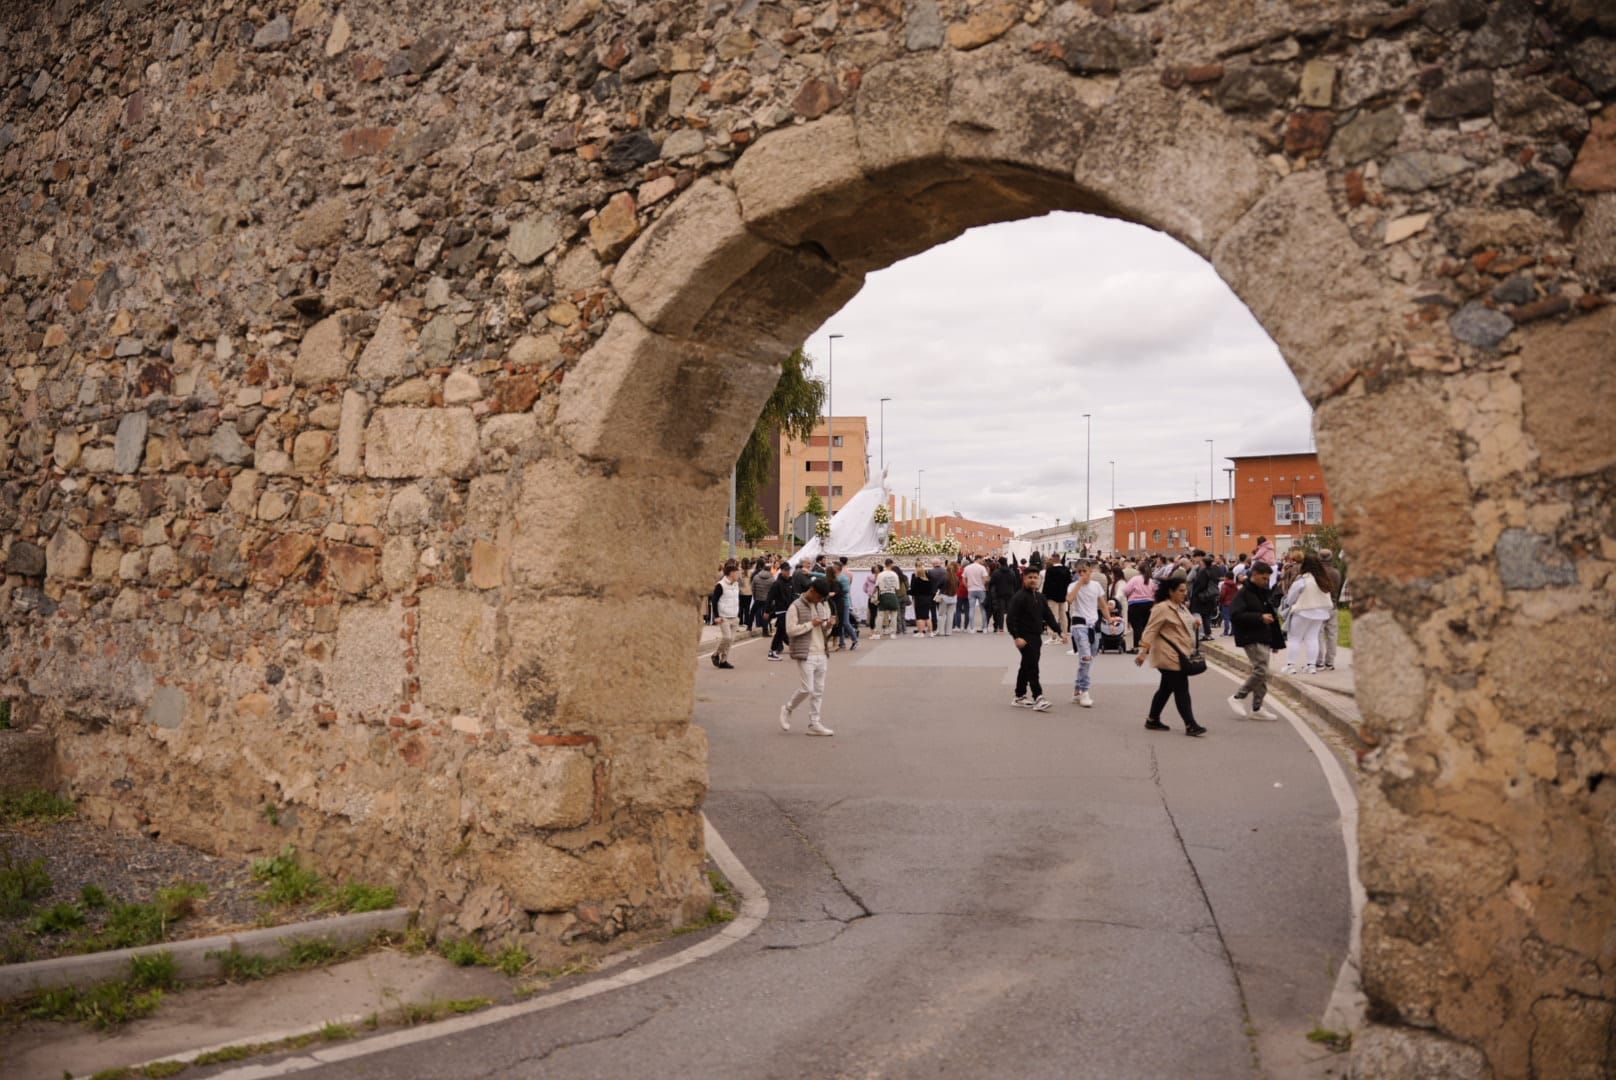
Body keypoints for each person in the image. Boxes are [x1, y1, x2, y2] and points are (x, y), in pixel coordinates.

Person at [1136, 577, 1207, 737]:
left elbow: (1185, 624)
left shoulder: (1182, 607)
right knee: (1181, 688)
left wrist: (1195, 623)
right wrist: (1143, 652)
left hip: (1181, 652)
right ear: (1170, 591)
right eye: (1181, 590)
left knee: (1165, 689)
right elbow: (1151, 630)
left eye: (1185, 590)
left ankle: (1152, 719)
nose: (1184, 593)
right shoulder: (1161, 608)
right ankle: (1190, 724)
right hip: (1168, 654)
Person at [778, 577, 835, 737]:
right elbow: (790, 630)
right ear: (812, 591)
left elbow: (823, 630)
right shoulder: (795, 606)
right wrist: (811, 624)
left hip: (821, 652)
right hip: (806, 653)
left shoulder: (821, 605)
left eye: (822, 598)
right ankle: (787, 708)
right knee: (807, 688)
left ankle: (814, 724)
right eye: (819, 597)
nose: (820, 600)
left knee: (818, 691)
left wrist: (828, 625)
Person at [1227, 560, 1284, 720]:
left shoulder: (1262, 591)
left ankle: (1257, 708)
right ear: (1255, 575)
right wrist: (1259, 617)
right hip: (1250, 636)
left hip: (1263, 635)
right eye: (1264, 578)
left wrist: (1275, 641)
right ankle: (1238, 697)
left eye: (1268, 579)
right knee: (1261, 670)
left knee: (1263, 673)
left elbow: (1271, 616)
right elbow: (1236, 615)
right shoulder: (1243, 593)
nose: (1266, 582)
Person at [1008, 565, 1064, 711]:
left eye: (1035, 577)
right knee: (1032, 666)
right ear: (1024, 579)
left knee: (1026, 665)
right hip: (1024, 637)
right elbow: (1011, 619)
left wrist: (1060, 631)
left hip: (1036, 637)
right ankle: (1038, 697)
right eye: (1030, 577)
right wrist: (1016, 637)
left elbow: (1048, 616)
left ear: (1039, 579)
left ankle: (1019, 696)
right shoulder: (1019, 597)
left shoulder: (1040, 597)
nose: (1033, 580)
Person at [1066, 561, 1118, 708]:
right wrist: (1079, 583)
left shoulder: (1096, 586)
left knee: (1090, 658)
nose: (1082, 574)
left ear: (1091, 571)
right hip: (1079, 624)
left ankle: (1077, 689)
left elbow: (1102, 605)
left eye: (1085, 571)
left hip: (1094, 625)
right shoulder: (1073, 586)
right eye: (1079, 572)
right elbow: (1069, 599)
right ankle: (1084, 691)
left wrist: (1110, 621)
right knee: (1086, 658)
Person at [1281, 553, 1334, 675]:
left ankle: (1290, 666)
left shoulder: (1302, 580)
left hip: (1302, 611)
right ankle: (1311, 666)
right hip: (1321, 613)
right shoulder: (1323, 580)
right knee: (1312, 638)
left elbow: (1290, 599)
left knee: (1294, 638)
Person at [709, 560, 741, 669]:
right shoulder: (720, 585)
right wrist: (716, 616)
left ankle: (723, 661)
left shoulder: (736, 584)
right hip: (724, 617)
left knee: (730, 641)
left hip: (734, 616)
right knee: (727, 638)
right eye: (737, 573)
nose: (739, 575)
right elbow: (714, 601)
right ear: (731, 573)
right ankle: (715, 654)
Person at [1317, 550, 1344, 671]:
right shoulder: (1336, 573)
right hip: (1333, 606)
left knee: (1319, 634)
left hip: (1319, 607)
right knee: (1332, 635)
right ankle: (1330, 662)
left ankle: (1319, 661)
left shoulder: (1317, 574)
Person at [766, 561, 797, 661]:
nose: (788, 572)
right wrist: (767, 611)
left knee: (782, 631)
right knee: (781, 631)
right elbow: (770, 597)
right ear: (782, 571)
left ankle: (775, 650)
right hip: (781, 611)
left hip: (789, 610)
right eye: (786, 570)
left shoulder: (791, 582)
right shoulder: (777, 583)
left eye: (789, 570)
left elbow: (793, 595)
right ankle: (773, 651)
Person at [1041, 555, 1073, 644]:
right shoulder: (1066, 569)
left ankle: (1053, 636)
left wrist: (1044, 596)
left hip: (1052, 596)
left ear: (1053, 560)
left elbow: (1047, 584)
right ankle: (1065, 635)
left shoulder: (1050, 570)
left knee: (1053, 616)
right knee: (1063, 615)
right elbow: (1069, 582)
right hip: (1063, 596)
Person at [1123, 569, 1156, 653]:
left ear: (1139, 571)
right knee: (1146, 627)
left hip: (1135, 604)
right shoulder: (1151, 581)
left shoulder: (1135, 579)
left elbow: (1126, 590)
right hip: (1149, 603)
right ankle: (1146, 647)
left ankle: (1136, 647)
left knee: (1137, 627)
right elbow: (1156, 591)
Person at [989, 557, 1018, 633]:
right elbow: (1015, 583)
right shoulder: (1012, 572)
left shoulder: (996, 572)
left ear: (999, 563)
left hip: (1000, 594)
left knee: (1000, 612)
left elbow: (991, 583)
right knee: (1010, 611)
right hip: (1010, 593)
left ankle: (1001, 628)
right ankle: (1010, 627)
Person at [874, 559, 902, 638]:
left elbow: (876, 586)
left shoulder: (880, 574)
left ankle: (878, 633)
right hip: (892, 594)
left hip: (883, 595)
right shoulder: (895, 574)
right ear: (891, 564)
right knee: (894, 615)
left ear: (885, 564)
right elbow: (897, 588)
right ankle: (893, 633)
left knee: (880, 615)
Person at [836, 558, 859, 651]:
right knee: (840, 623)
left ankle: (855, 640)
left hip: (844, 601)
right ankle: (842, 643)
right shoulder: (848, 573)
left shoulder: (843, 577)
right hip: (840, 601)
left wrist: (835, 592)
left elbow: (845, 589)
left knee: (845, 622)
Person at [909, 560, 936, 637]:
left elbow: (913, 589)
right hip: (927, 598)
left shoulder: (915, 577)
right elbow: (932, 587)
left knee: (919, 616)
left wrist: (908, 592)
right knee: (927, 616)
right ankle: (931, 632)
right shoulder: (928, 576)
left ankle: (921, 632)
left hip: (919, 598)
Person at [963, 555, 990, 632]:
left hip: (971, 589)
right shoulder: (982, 568)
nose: (982, 561)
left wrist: (967, 587)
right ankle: (984, 628)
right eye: (982, 559)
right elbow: (986, 579)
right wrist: (982, 585)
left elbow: (963, 579)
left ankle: (972, 628)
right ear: (978, 559)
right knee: (983, 609)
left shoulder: (967, 568)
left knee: (971, 609)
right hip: (981, 589)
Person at [933, 559, 958, 637]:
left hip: (944, 597)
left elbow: (938, 586)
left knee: (942, 615)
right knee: (950, 615)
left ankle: (941, 631)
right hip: (953, 597)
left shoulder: (944, 577)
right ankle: (948, 632)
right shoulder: (956, 578)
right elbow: (958, 586)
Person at [750, 559, 776, 634]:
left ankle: (749, 626)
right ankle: (765, 631)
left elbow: (753, 587)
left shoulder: (756, 577)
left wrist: (755, 596)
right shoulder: (772, 579)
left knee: (752, 612)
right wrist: (771, 599)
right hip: (767, 600)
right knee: (766, 614)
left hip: (758, 598)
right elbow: (773, 590)